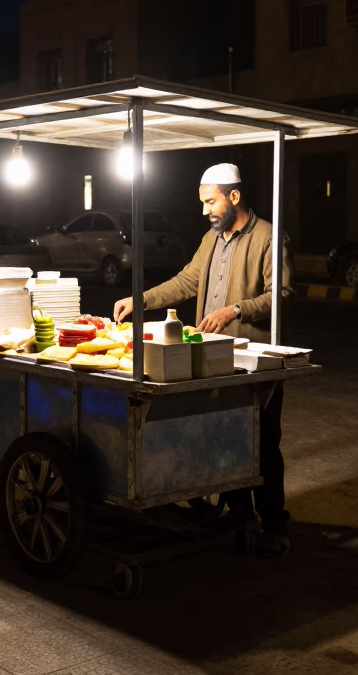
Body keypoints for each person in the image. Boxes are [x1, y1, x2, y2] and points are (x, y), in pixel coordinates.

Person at [114, 163, 294, 556]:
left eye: (210, 201)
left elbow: (279, 294)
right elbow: (185, 282)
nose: (205, 211)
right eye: (202, 203)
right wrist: (140, 300)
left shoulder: (267, 237)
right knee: (224, 437)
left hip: (253, 358)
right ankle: (239, 513)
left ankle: (275, 523)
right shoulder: (210, 240)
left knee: (262, 441)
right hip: (210, 358)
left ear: (234, 197)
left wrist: (235, 310)